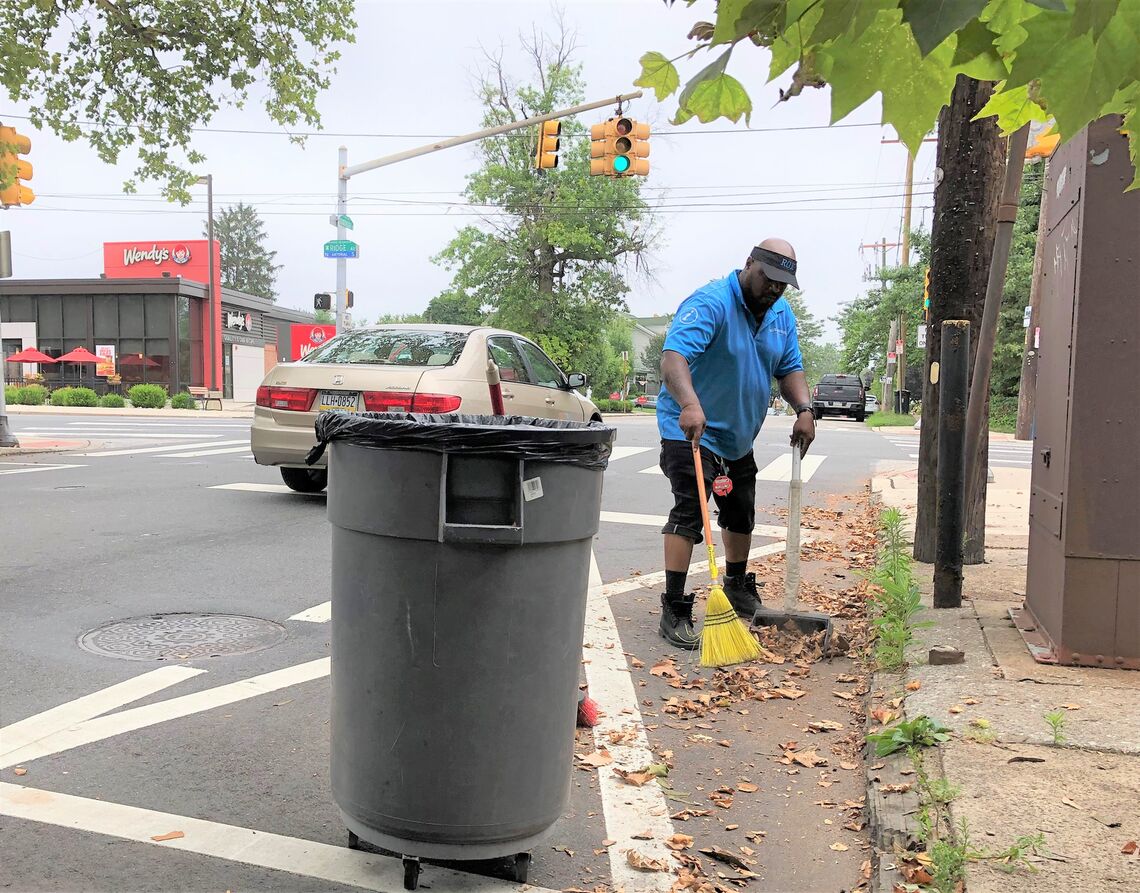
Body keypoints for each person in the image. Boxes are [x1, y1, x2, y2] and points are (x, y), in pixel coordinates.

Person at [654, 238, 816, 648]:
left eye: (783, 284)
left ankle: (737, 584)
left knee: (740, 511)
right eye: (769, 279)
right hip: (689, 428)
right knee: (691, 512)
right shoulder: (711, 302)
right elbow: (673, 357)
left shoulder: (781, 314)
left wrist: (804, 410)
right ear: (749, 265)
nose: (774, 289)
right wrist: (689, 404)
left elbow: (790, 367)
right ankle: (673, 606)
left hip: (737, 437)